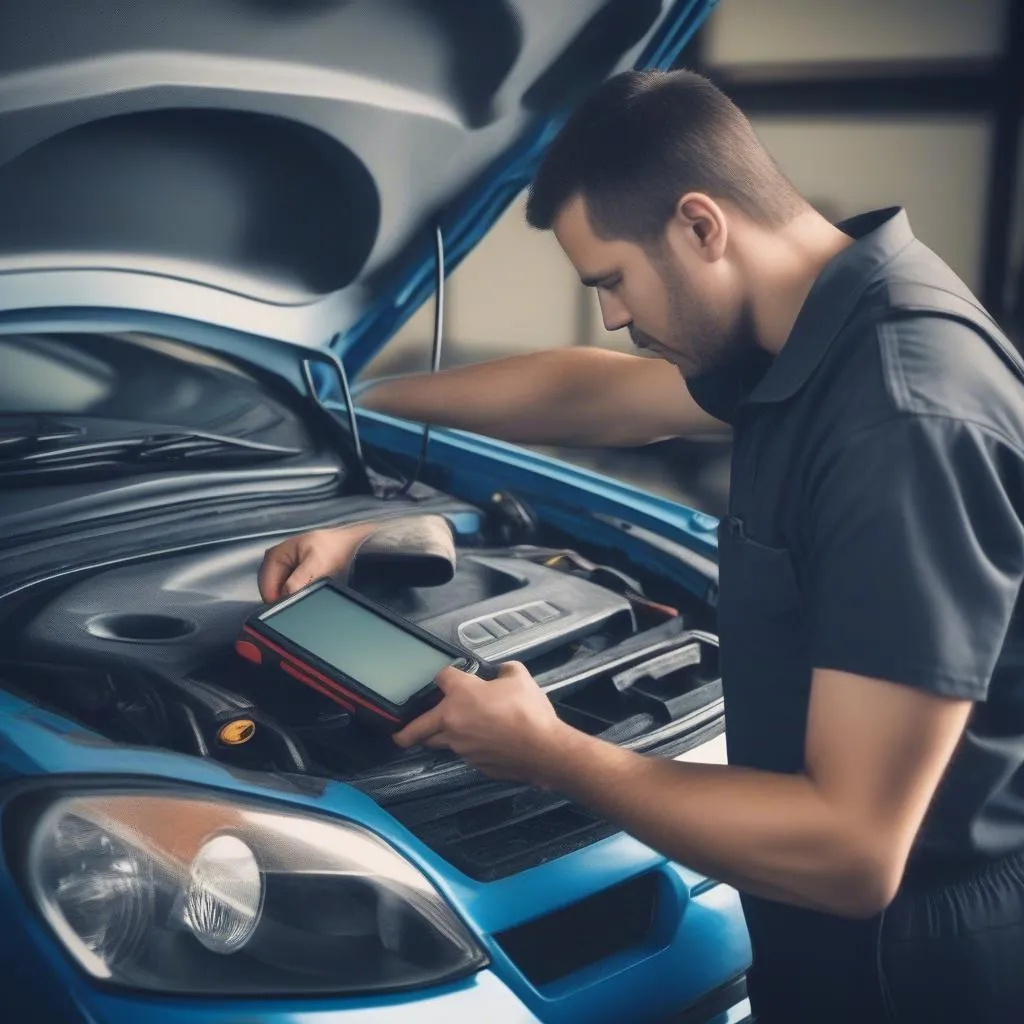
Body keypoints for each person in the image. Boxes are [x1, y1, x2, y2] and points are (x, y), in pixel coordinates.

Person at [258, 70, 1024, 1022]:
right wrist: (348, 407)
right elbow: (595, 394)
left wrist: (556, 755)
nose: (614, 316)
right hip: (821, 936)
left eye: (612, 281)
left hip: (906, 969)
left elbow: (851, 852)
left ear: (702, 225)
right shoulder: (816, 332)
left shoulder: (900, 419)